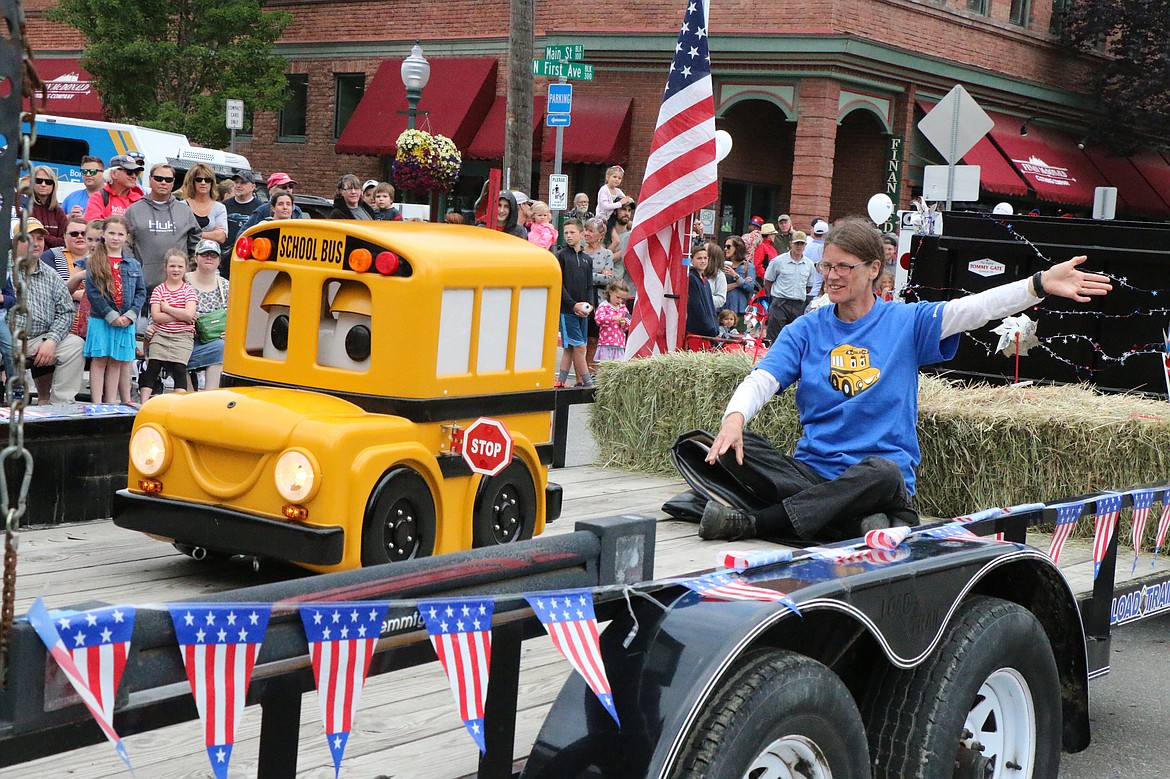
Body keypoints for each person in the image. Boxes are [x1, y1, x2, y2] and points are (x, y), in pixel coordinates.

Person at [698, 219, 1113, 544]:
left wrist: (1037, 284)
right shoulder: (806, 329)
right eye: (828, 265)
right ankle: (857, 526)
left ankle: (758, 521)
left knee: (882, 474)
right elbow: (763, 378)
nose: (833, 275)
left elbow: (976, 309)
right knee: (708, 445)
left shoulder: (906, 321)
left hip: (877, 478)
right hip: (813, 474)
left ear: (875, 268)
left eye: (845, 266)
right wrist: (734, 419)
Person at [9, 219, 85, 404]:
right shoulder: (4, 269)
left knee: (75, 345)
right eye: (29, 238)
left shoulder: (51, 274)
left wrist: (51, 340)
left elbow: (66, 311)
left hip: (41, 338)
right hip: (8, 338)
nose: (36, 243)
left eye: (40, 239)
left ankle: (60, 406)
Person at [84, 215, 145, 404]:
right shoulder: (95, 261)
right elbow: (93, 292)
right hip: (102, 319)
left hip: (126, 320)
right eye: (111, 233)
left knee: (117, 361)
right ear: (103, 234)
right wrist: (110, 315)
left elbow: (141, 292)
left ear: (126, 236)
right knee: (100, 359)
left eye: (120, 234)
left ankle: (110, 402)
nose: (115, 238)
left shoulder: (133, 264)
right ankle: (96, 402)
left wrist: (130, 315)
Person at [124, 163, 200, 288]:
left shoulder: (185, 211)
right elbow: (126, 245)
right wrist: (134, 270)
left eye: (168, 180)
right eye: (158, 178)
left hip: (177, 287)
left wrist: (189, 268)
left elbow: (196, 244)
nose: (163, 182)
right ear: (150, 179)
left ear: (173, 182)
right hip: (142, 285)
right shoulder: (134, 210)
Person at [138, 249, 197, 404]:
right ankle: (143, 403)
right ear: (165, 267)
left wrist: (167, 308)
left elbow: (190, 314)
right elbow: (156, 316)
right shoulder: (159, 290)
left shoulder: (189, 290)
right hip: (161, 334)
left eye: (179, 266)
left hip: (182, 337)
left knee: (179, 369)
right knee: (153, 367)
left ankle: (178, 404)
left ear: (186, 268)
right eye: (172, 266)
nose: (175, 270)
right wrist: (180, 314)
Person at [185, 239, 229, 390]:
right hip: (182, 340)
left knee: (223, 347)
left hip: (213, 343)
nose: (209, 258)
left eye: (213, 255)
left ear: (219, 260)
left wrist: (231, 331)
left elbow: (238, 316)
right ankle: (187, 398)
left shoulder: (226, 285)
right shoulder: (182, 280)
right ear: (196, 258)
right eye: (204, 254)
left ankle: (209, 397)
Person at [554, 218, 592, 388]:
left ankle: (561, 380)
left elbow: (590, 285)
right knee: (580, 347)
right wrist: (572, 305)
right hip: (567, 311)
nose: (568, 236)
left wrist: (590, 305)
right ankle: (587, 381)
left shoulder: (587, 259)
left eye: (572, 232)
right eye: (566, 233)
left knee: (570, 348)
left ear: (581, 234)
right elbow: (559, 285)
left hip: (583, 312)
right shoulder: (561, 256)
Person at [763, 230, 815, 344]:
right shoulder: (778, 261)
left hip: (798, 305)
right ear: (791, 243)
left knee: (795, 338)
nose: (799, 246)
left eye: (802, 244)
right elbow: (768, 281)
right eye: (797, 243)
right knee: (775, 338)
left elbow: (809, 287)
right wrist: (776, 294)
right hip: (780, 303)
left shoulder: (809, 264)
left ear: (805, 245)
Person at [582, 217, 614, 371]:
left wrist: (588, 275)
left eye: (590, 231)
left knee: (594, 339)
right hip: (581, 298)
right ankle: (580, 375)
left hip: (599, 301)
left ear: (600, 235)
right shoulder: (579, 251)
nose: (586, 234)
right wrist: (597, 274)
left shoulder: (607, 253)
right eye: (585, 230)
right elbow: (577, 275)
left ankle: (591, 372)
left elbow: (608, 279)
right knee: (581, 341)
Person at [180, 163, 229, 247]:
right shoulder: (182, 206)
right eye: (199, 179)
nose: (203, 183)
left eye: (207, 180)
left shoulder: (219, 208)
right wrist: (212, 234)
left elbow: (221, 237)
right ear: (192, 182)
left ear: (212, 183)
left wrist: (192, 234)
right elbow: (180, 234)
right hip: (186, 254)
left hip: (210, 256)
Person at [84, 154, 144, 221]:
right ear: (114, 174)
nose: (134, 176)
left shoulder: (140, 200)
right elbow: (94, 227)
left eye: (136, 172)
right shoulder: (98, 197)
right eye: (129, 172)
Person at [224, 171, 261, 267]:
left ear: (253, 187)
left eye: (243, 183)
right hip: (225, 257)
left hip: (249, 258)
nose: (238, 186)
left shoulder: (260, 208)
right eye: (236, 182)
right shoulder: (224, 205)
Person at [41, 213, 90, 282]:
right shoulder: (50, 256)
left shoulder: (100, 255)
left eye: (84, 233)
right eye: (74, 234)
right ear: (64, 236)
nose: (80, 236)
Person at [30, 166, 69, 248]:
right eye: (39, 181)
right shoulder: (26, 207)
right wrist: (53, 240)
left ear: (53, 185)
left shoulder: (58, 211)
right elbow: (29, 236)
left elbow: (66, 240)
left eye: (48, 182)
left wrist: (43, 237)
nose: (43, 184)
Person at [593, 279, 630, 363]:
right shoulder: (604, 306)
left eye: (622, 299)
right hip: (606, 343)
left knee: (618, 366)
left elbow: (629, 322)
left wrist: (624, 324)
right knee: (605, 366)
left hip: (619, 344)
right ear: (610, 292)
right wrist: (612, 318)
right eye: (618, 297)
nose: (620, 301)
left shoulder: (623, 308)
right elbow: (598, 319)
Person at [721, 235, 756, 320]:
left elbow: (750, 287)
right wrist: (740, 282)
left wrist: (735, 275)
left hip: (740, 309)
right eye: (725, 246)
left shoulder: (748, 266)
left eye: (728, 246)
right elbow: (720, 288)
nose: (726, 249)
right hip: (723, 308)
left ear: (737, 248)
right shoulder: (723, 265)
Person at [686, 244, 718, 338]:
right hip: (698, 331)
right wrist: (709, 327)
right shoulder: (692, 278)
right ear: (692, 260)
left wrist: (715, 326)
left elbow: (710, 305)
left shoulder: (705, 281)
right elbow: (696, 306)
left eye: (705, 258)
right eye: (699, 258)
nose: (703, 261)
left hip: (709, 331)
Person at [703, 239, 728, 309]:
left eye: (704, 251)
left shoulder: (719, 275)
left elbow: (721, 300)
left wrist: (704, 296)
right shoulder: (694, 271)